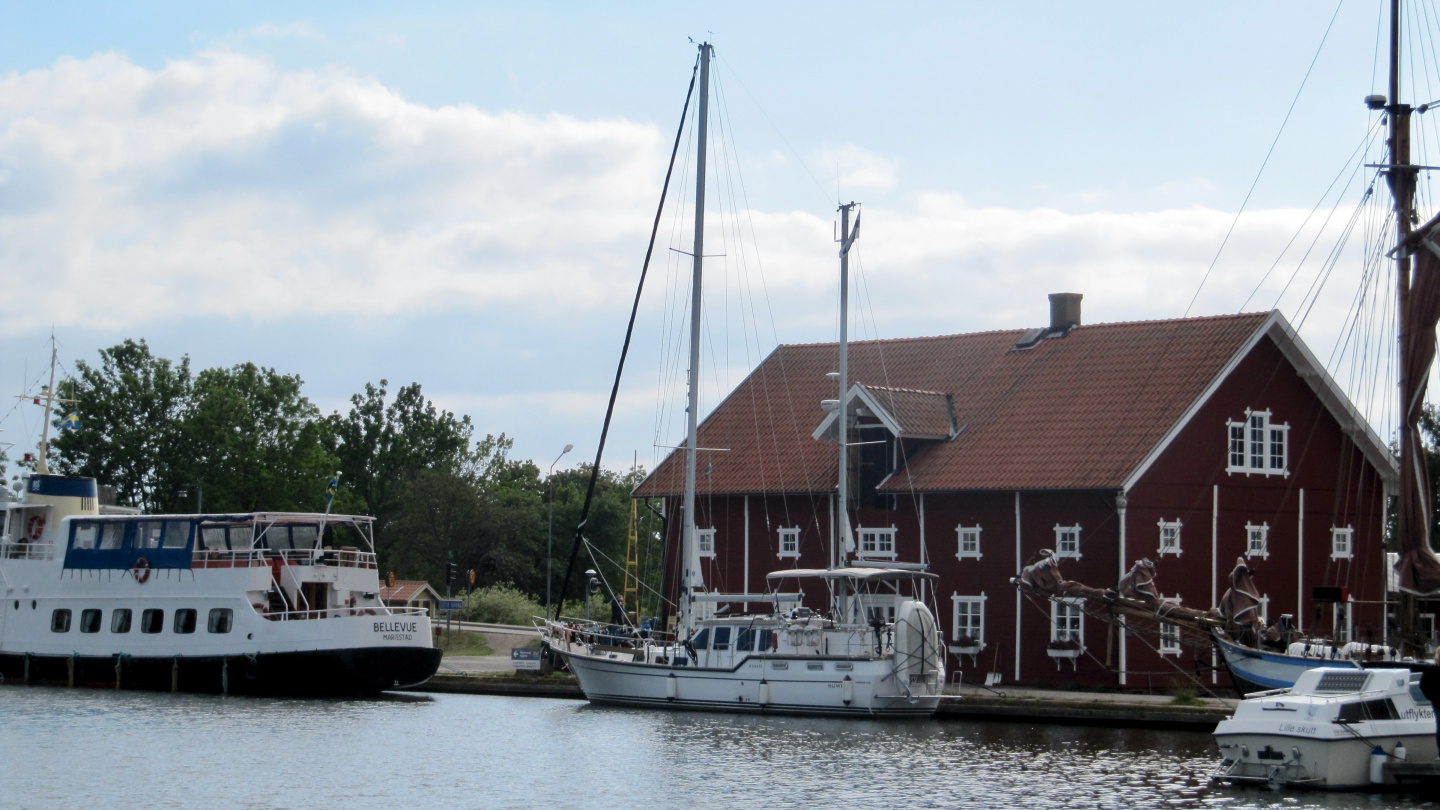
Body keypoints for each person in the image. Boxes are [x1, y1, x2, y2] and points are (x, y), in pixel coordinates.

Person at [1420, 650, 1440, 759]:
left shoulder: (1430, 670)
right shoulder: (1431, 670)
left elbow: (1423, 685)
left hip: (1437, 702)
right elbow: (1423, 685)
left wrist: (1432, 697)